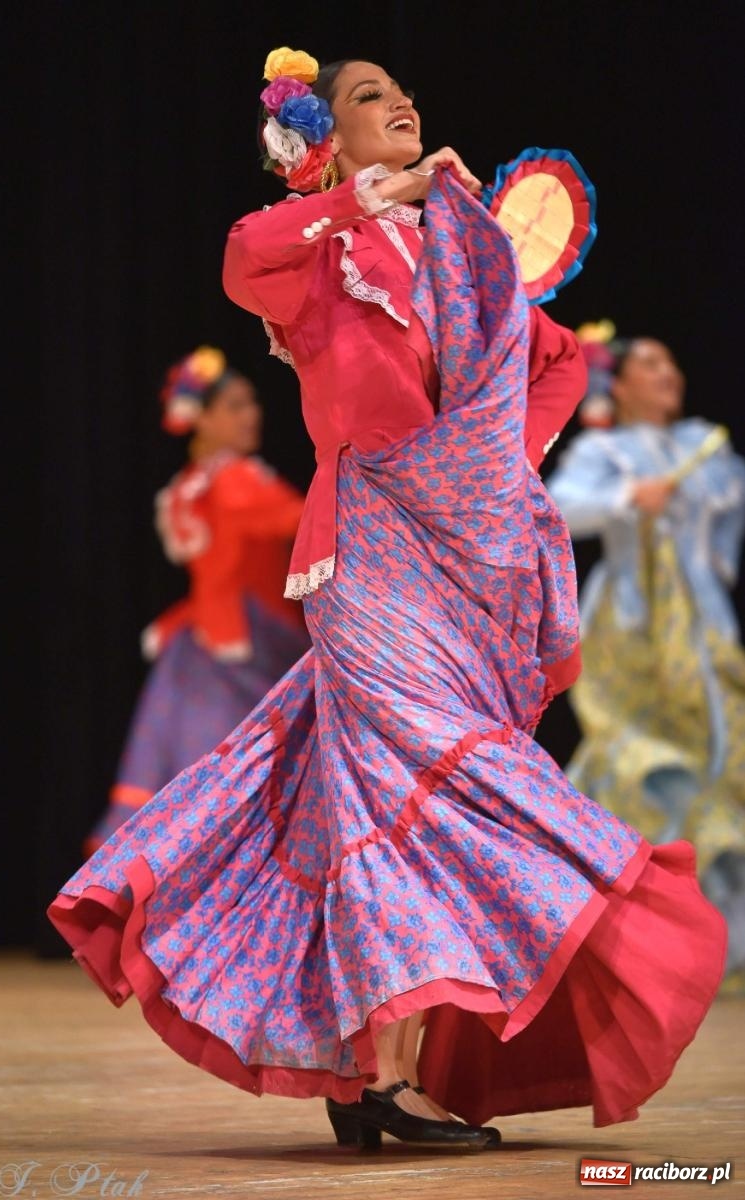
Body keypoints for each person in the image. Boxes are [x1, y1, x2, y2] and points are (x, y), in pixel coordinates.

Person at [48, 50, 726, 1151]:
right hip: (363, 550)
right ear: (332, 141)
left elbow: (552, 359)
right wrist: (368, 198)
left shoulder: (463, 257)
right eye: (370, 98)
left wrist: (491, 454)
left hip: (464, 566)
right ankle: (392, 1063)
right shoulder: (326, 253)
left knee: (387, 797)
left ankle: (380, 1078)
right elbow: (240, 255)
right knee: (427, 774)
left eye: (404, 94)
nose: (400, 105)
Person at [548, 325, 745, 982]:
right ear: (620, 382)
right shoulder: (604, 450)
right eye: (651, 363)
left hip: (698, 622)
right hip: (629, 623)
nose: (668, 374)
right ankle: (633, 935)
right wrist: (628, 499)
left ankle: (717, 932)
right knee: (638, 756)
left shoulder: (703, 447)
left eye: (671, 362)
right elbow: (557, 505)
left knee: (717, 752)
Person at [85, 347, 309, 853]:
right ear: (201, 418)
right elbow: (306, 522)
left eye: (252, 403)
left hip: (203, 644)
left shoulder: (190, 486)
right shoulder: (237, 480)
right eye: (234, 405)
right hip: (242, 648)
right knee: (239, 786)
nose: (252, 414)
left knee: (194, 778)